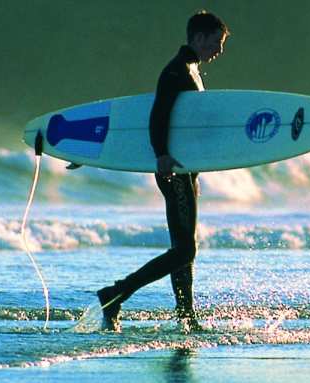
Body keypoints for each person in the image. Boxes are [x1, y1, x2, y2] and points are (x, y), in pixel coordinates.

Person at [96, 11, 229, 332]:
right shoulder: (176, 72)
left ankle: (186, 316)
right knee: (185, 249)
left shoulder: (192, 70)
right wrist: (162, 155)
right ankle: (115, 293)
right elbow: (158, 116)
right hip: (173, 168)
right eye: (215, 42)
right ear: (198, 38)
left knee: (184, 247)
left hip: (185, 169)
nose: (219, 50)